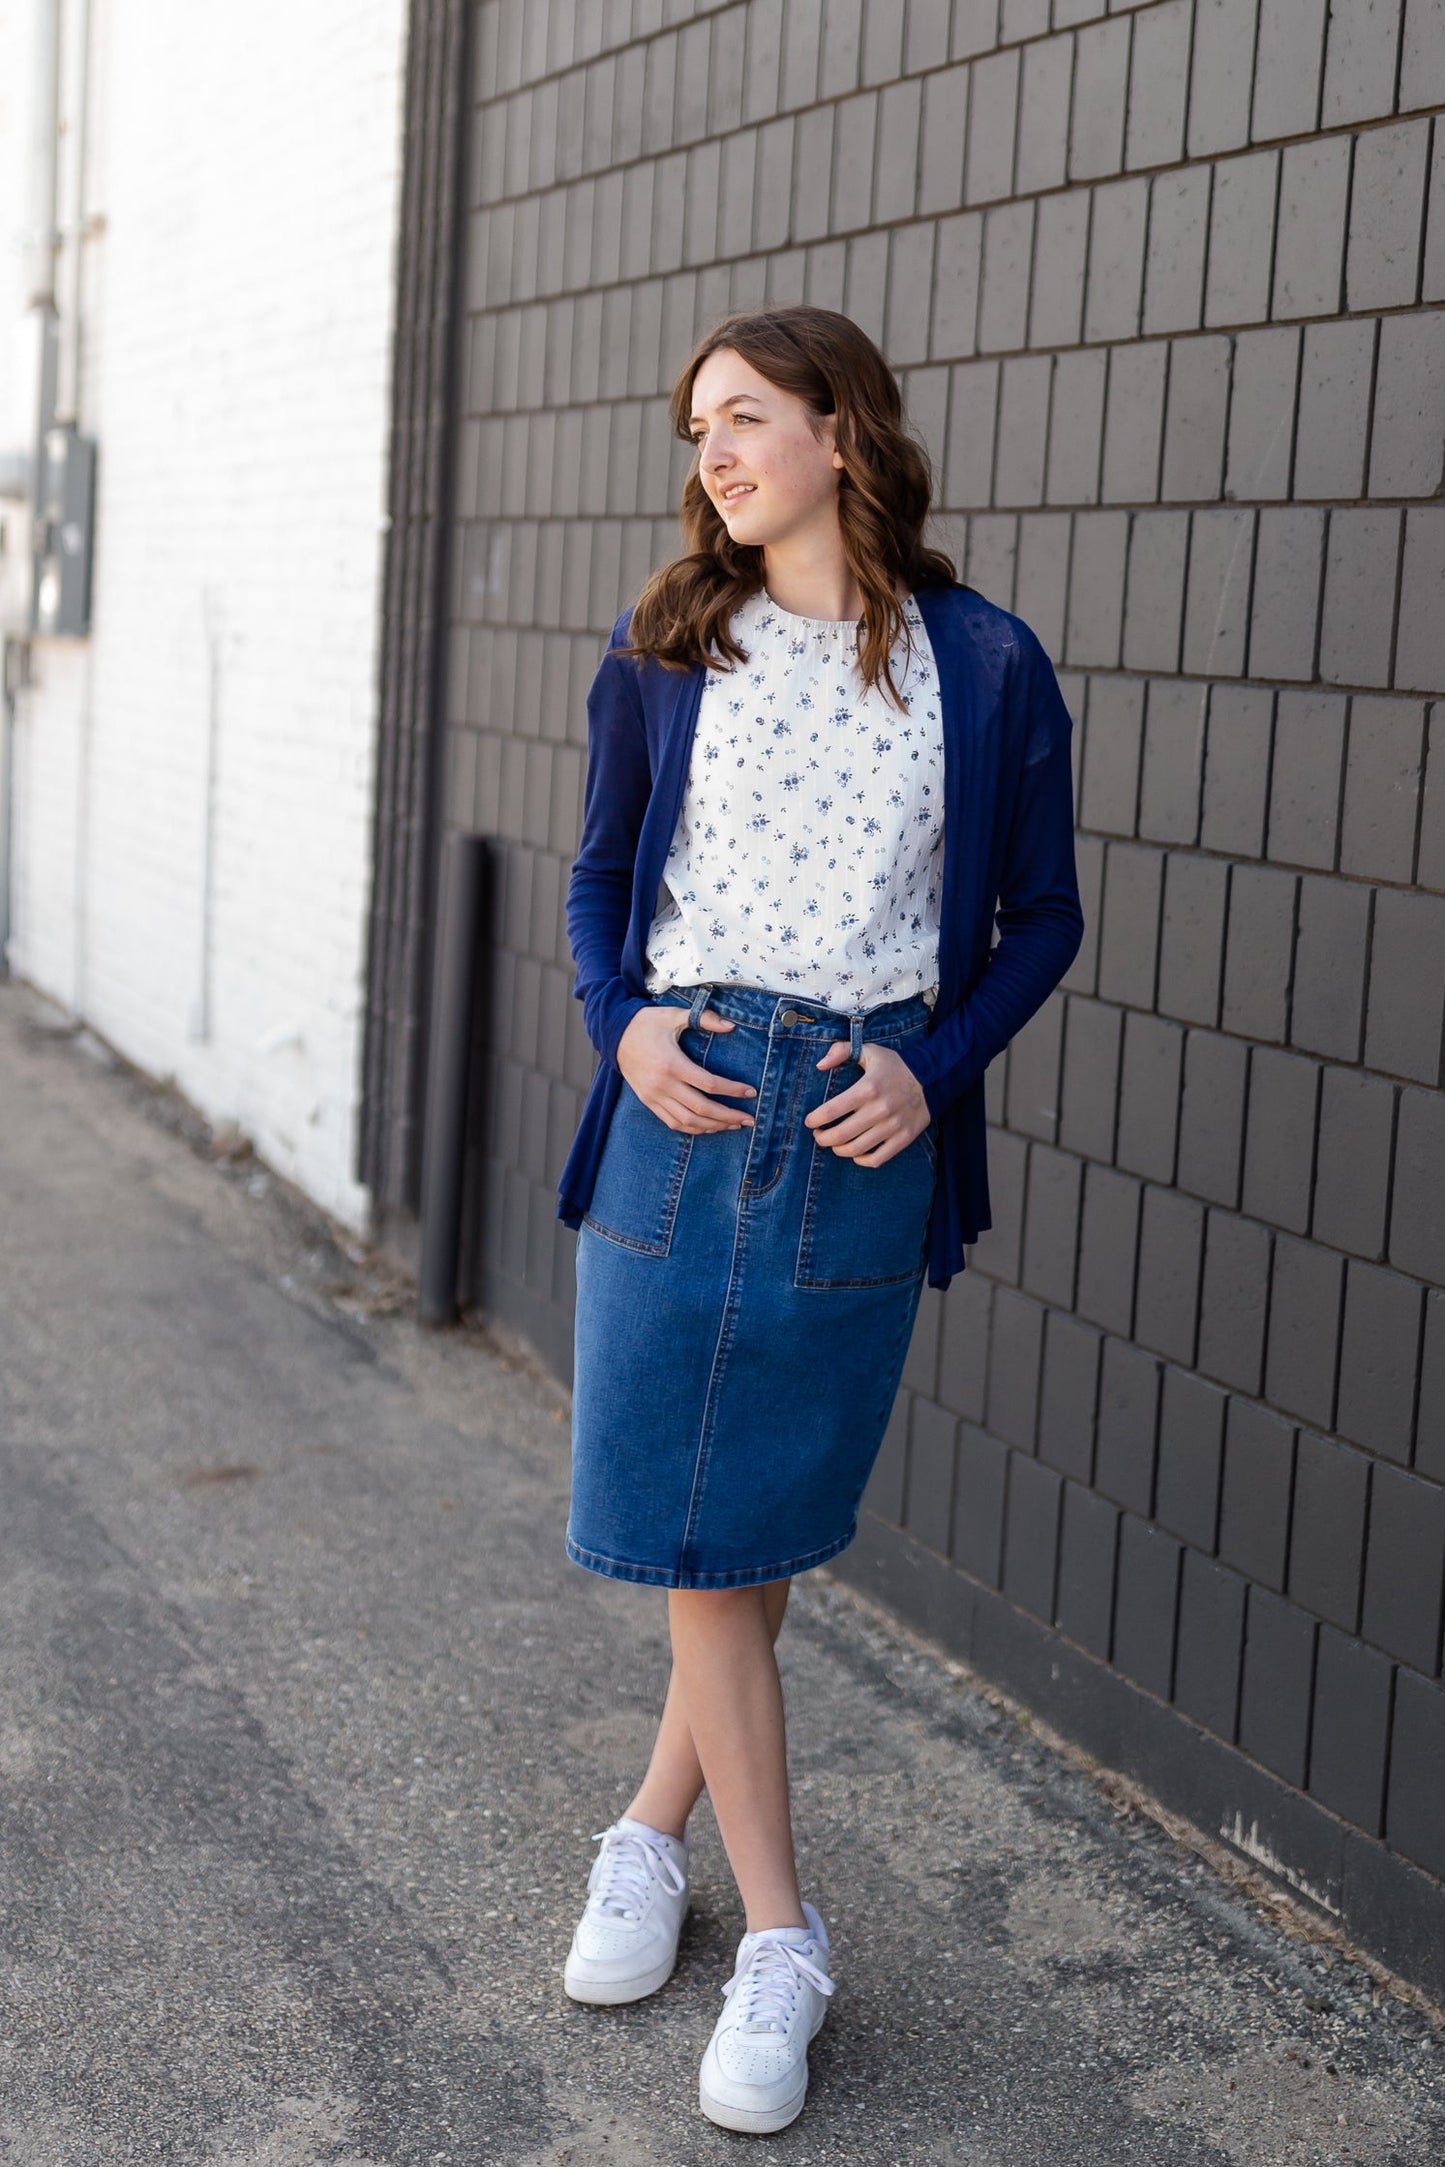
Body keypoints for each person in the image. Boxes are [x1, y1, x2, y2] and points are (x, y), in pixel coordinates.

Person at [554, 304, 1084, 2135]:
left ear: (841, 433)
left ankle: (646, 1836)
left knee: (748, 1520)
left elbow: (1040, 919)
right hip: (682, 1112)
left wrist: (934, 1071)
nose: (712, 450)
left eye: (747, 417)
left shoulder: (985, 665)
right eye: (698, 424)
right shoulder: (666, 647)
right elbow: (601, 879)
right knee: (695, 1530)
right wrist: (617, 1026)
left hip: (861, 1129)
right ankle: (782, 1932)